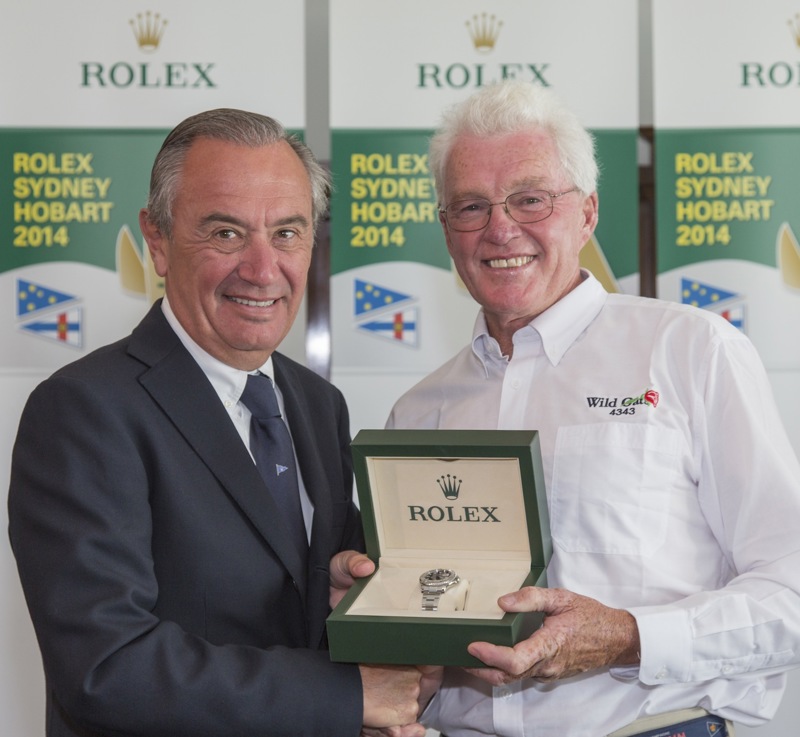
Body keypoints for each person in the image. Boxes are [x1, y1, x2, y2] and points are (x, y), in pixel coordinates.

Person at [385, 80, 800, 736]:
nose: (499, 227)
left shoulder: (689, 350)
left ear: (587, 213)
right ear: (445, 229)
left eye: (530, 198)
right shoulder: (416, 412)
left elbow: (792, 591)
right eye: (470, 206)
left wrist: (631, 636)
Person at [8, 108, 426, 737]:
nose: (262, 269)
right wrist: (347, 695)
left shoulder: (317, 403)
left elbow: (308, 595)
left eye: (287, 232)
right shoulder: (83, 411)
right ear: (157, 240)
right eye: (226, 233)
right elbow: (107, 668)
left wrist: (350, 588)